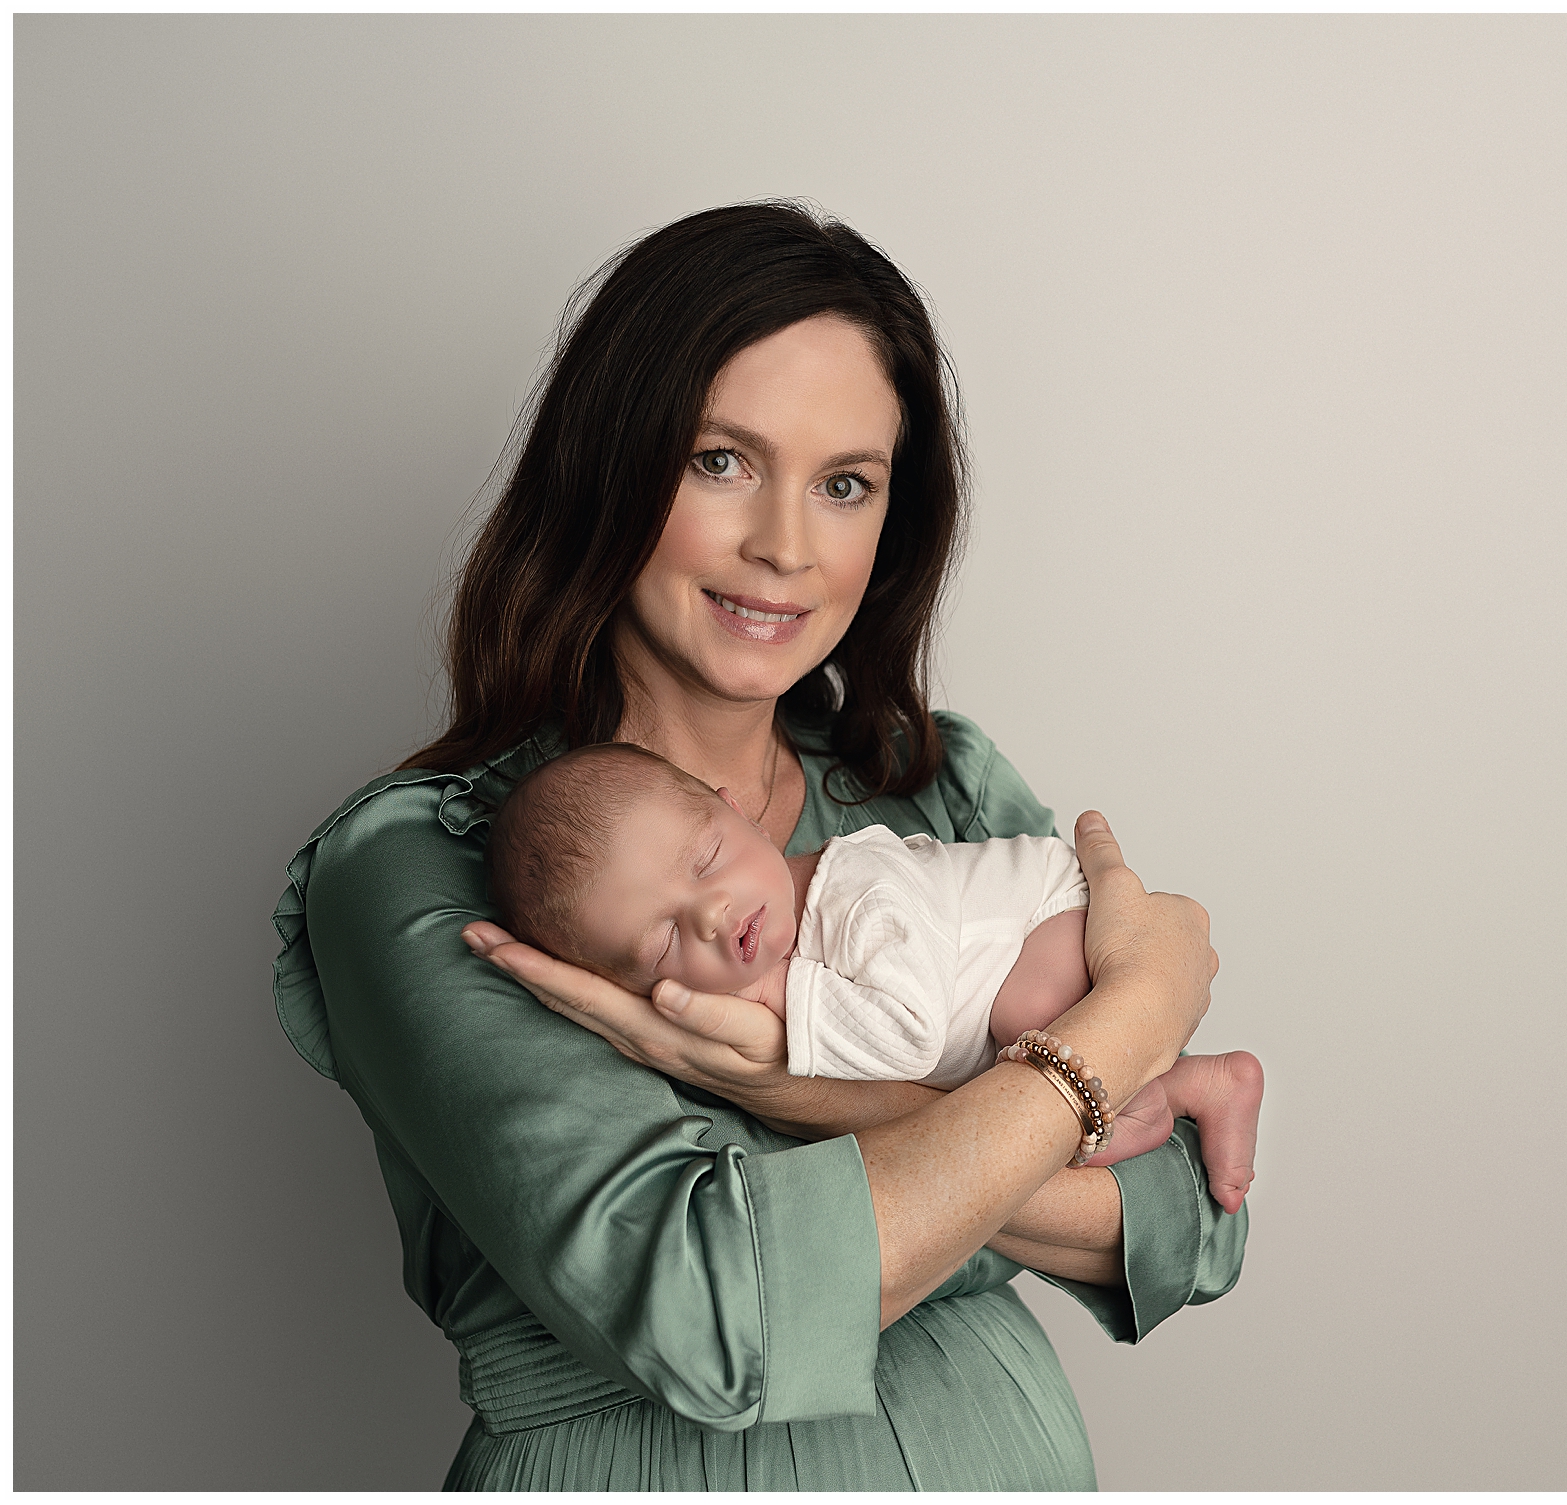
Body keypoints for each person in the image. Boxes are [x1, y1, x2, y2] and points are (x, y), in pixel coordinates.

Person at [270, 201, 1248, 1490]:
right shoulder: (428, 864)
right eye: (719, 460)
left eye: (844, 484)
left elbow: (1188, 1220)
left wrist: (823, 1109)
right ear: (608, 463)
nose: (785, 545)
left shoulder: (936, 786)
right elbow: (715, 1308)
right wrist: (1136, 1015)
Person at [485, 740, 1266, 1212]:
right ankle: (1205, 1081)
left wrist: (789, 1002)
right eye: (664, 938)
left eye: (707, 859)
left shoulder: (857, 893)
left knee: (1024, 1022)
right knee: (1005, 1080)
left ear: (740, 810)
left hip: (1054, 914)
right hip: (1019, 980)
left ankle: (1154, 1089)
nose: (715, 914)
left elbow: (914, 1030)